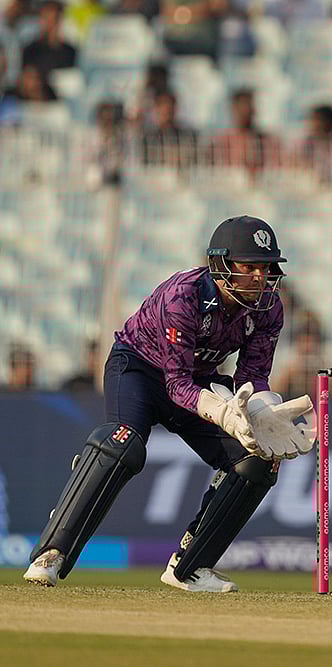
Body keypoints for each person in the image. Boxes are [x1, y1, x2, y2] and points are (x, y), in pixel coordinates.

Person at [23, 216, 315, 592]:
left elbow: (252, 375)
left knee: (257, 458)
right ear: (221, 265)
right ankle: (51, 554)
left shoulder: (269, 308)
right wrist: (223, 411)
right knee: (122, 445)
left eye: (265, 268)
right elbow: (175, 384)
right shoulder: (184, 296)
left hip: (200, 377)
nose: (259, 278)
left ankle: (190, 567)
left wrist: (260, 409)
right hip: (140, 371)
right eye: (249, 267)